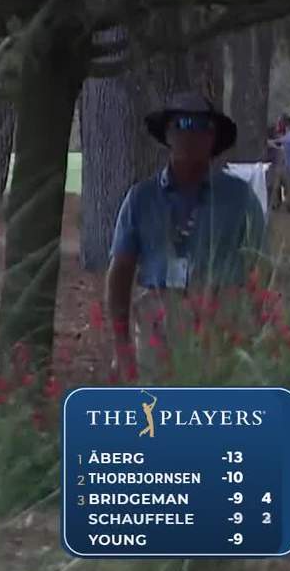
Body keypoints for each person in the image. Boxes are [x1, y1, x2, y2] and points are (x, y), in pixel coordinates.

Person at [106, 92, 267, 381]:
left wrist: (259, 338)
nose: (190, 133)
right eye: (181, 124)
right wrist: (121, 347)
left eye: (202, 126)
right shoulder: (141, 198)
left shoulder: (240, 198)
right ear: (167, 134)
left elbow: (262, 271)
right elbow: (120, 272)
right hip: (157, 322)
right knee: (157, 406)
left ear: (213, 139)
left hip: (221, 324)